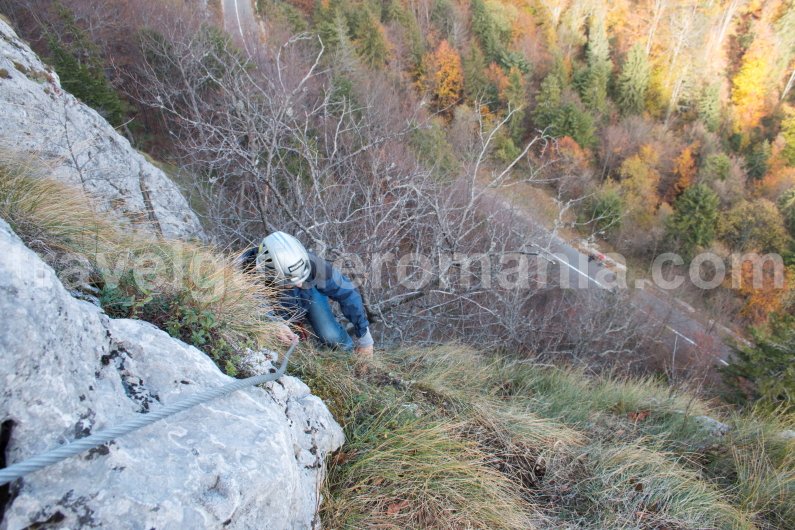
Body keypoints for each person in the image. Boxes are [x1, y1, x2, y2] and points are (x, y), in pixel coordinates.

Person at [240, 231, 374, 359]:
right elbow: (254, 310)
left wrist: (365, 339)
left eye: (302, 277)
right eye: (291, 280)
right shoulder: (244, 279)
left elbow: (346, 291)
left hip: (309, 295)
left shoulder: (310, 263)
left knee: (330, 335)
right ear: (270, 274)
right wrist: (274, 325)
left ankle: (348, 356)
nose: (299, 284)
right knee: (280, 347)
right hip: (276, 312)